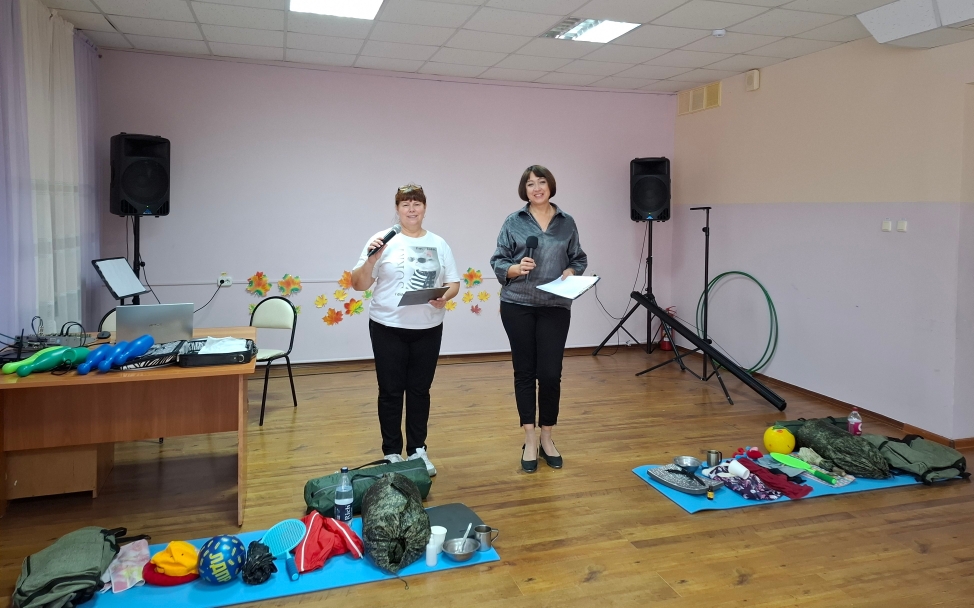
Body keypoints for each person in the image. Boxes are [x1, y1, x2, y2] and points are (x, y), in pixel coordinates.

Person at [351, 184, 460, 476]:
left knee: (420, 390)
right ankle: (391, 452)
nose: (412, 209)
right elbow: (358, 284)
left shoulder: (439, 243)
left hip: (428, 327)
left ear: (425, 208)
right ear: (397, 209)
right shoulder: (381, 240)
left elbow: (453, 283)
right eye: (405, 204)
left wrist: (445, 297)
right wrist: (372, 259)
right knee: (390, 391)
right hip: (387, 326)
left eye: (417, 204)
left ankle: (417, 450)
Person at [490, 165, 587, 473]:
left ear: (550, 186)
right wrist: (515, 268)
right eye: (530, 184)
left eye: (541, 182)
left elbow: (579, 258)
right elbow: (498, 260)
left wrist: (571, 270)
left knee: (549, 373)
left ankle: (547, 436)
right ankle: (530, 439)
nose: (536, 188)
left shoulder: (566, 222)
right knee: (524, 372)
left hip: (555, 306)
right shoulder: (514, 221)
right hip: (517, 303)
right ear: (525, 190)